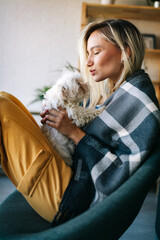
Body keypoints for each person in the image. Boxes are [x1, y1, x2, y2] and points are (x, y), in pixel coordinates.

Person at [0, 19, 160, 228]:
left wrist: (74, 132)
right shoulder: (125, 95)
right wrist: (57, 125)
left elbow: (118, 173)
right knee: (6, 100)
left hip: (76, 197)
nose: (88, 62)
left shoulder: (140, 102)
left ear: (125, 52)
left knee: (2, 105)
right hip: (72, 180)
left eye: (95, 52)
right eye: (88, 54)